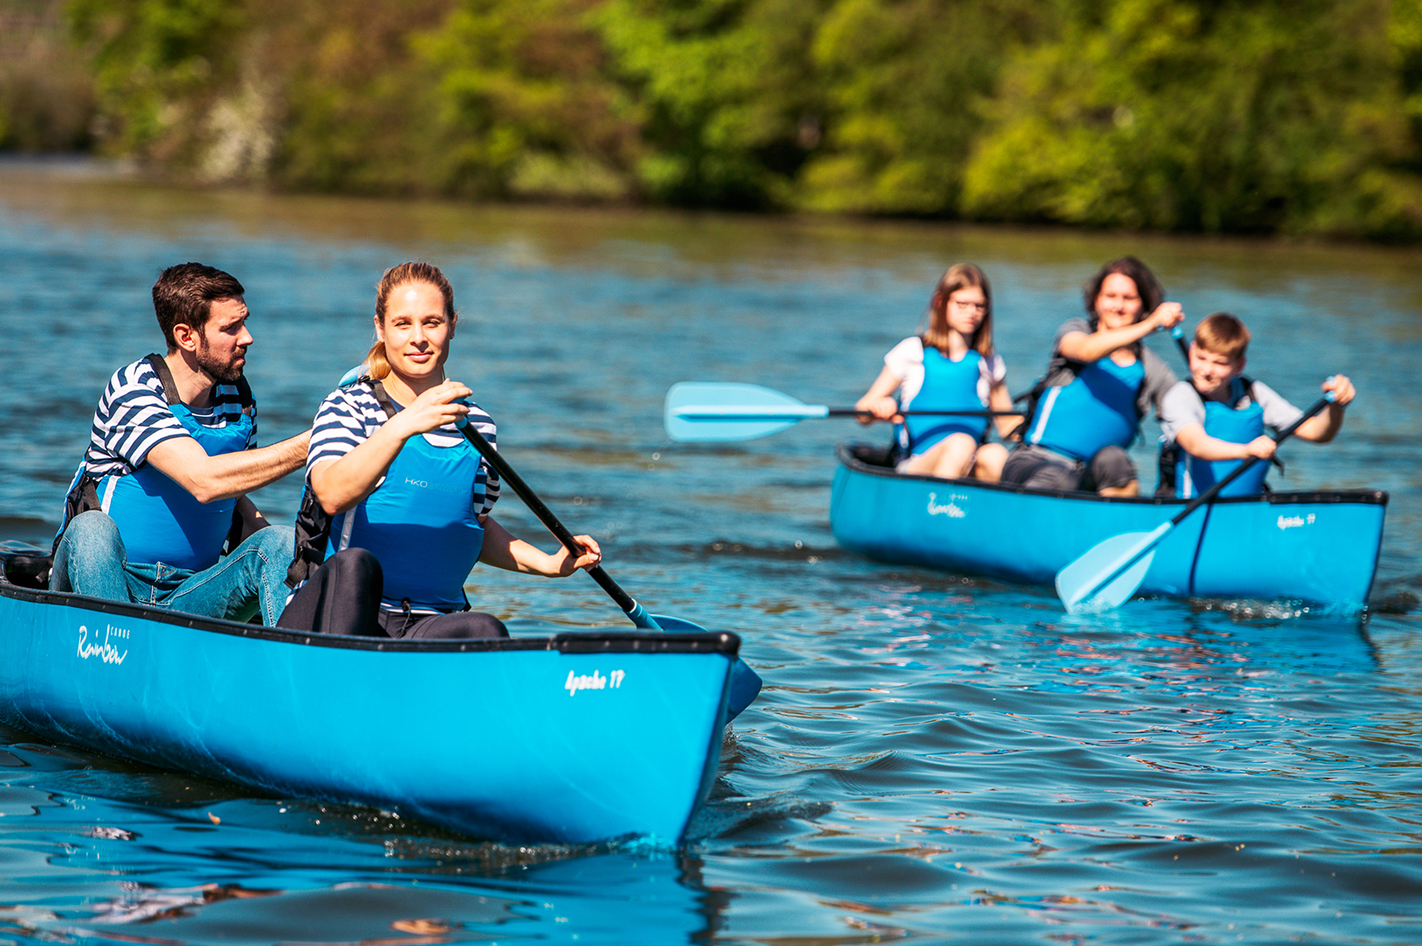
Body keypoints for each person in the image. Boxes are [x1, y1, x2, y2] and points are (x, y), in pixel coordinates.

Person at [276, 261, 602, 640]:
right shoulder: (348, 406)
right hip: (336, 612)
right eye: (403, 324)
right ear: (380, 328)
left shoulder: (478, 427)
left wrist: (550, 563)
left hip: (426, 621)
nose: (418, 337)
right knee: (354, 565)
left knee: (485, 628)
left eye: (432, 322)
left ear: (452, 326)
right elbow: (331, 495)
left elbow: (468, 527)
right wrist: (406, 423)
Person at [50, 263, 310, 624]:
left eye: (244, 322)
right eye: (230, 328)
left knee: (280, 542)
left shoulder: (238, 399)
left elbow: (231, 498)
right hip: (109, 580)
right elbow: (203, 481)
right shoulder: (134, 389)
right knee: (92, 530)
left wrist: (296, 565)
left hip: (190, 593)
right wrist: (317, 441)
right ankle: (115, 648)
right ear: (187, 336)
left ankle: (296, 664)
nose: (247, 337)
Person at [1001, 256, 1183, 495]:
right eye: (1111, 296)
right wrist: (1151, 324)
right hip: (1033, 461)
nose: (1118, 306)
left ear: (1143, 304)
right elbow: (1087, 351)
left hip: (1091, 476)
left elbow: (1187, 417)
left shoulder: (1153, 369)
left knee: (1116, 461)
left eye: (1128, 298)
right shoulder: (1076, 331)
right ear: (1096, 300)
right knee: (1060, 480)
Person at [1158, 312, 1355, 498]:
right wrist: (1246, 450)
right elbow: (1196, 445)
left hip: (1246, 510)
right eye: (1201, 358)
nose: (1206, 370)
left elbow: (1317, 433)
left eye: (1220, 363)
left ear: (1239, 366)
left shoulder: (1253, 392)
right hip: (1188, 509)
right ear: (1191, 351)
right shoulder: (1180, 396)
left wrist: (1337, 407)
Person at [854, 264, 1021, 481]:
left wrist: (1041, 421)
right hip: (916, 466)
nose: (971, 312)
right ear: (940, 301)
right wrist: (878, 406)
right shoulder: (913, 352)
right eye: (962, 304)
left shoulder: (989, 362)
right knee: (961, 443)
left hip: (966, 461)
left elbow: (1007, 426)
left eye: (979, 306)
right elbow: (861, 412)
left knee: (996, 454)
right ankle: (938, 509)